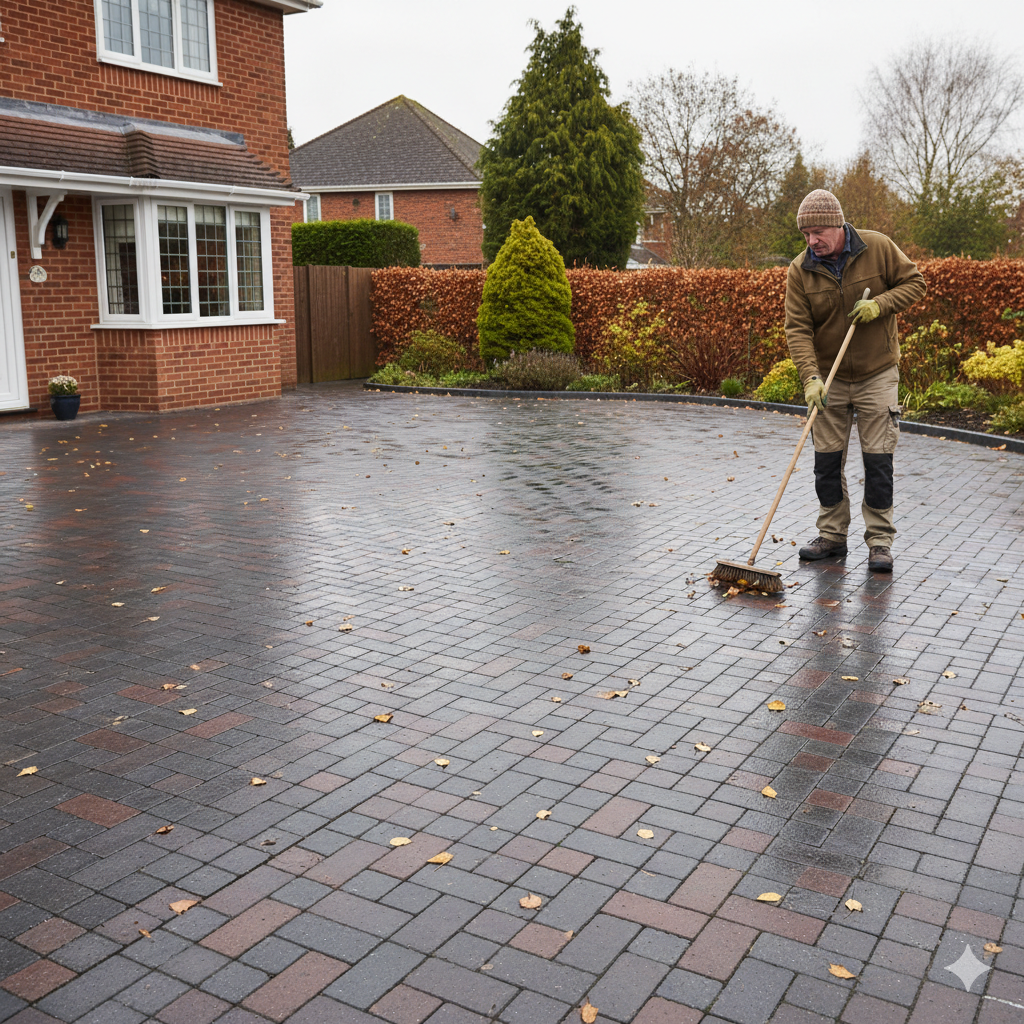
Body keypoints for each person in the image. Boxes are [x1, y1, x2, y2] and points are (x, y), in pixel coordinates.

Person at [784, 189, 926, 573]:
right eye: (806, 234)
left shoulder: (878, 248)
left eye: (818, 232)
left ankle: (880, 542)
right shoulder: (801, 270)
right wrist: (811, 378)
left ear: (838, 224)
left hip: (876, 373)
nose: (812, 241)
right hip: (828, 378)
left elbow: (915, 283)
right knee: (826, 462)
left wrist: (880, 305)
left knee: (878, 460)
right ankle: (832, 536)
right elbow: (797, 329)